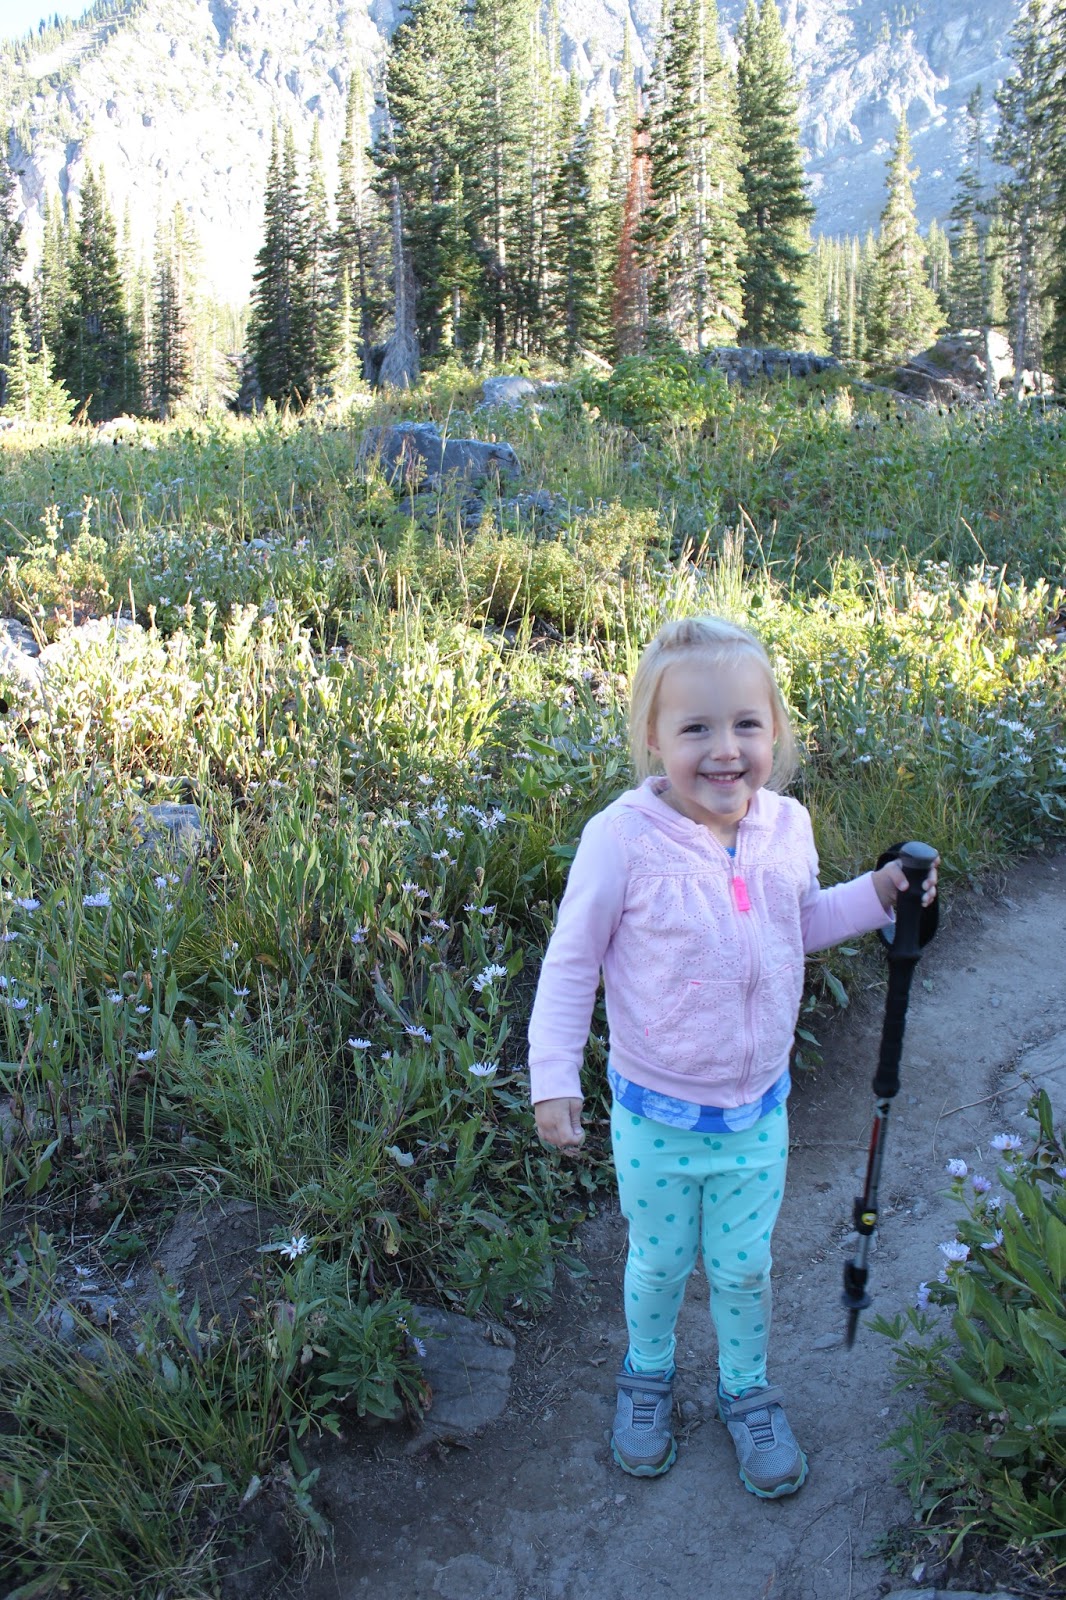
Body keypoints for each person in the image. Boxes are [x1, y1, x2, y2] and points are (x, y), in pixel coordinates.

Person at [527, 615, 937, 1498]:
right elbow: (571, 961)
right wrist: (553, 1077)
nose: (725, 749)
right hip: (656, 1116)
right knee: (661, 1261)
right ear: (653, 738)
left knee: (745, 1266)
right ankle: (648, 1375)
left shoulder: (786, 826)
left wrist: (877, 894)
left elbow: (799, 923)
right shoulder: (622, 839)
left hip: (757, 1112)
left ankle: (745, 1389)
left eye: (746, 724)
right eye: (696, 728)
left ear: (775, 731)